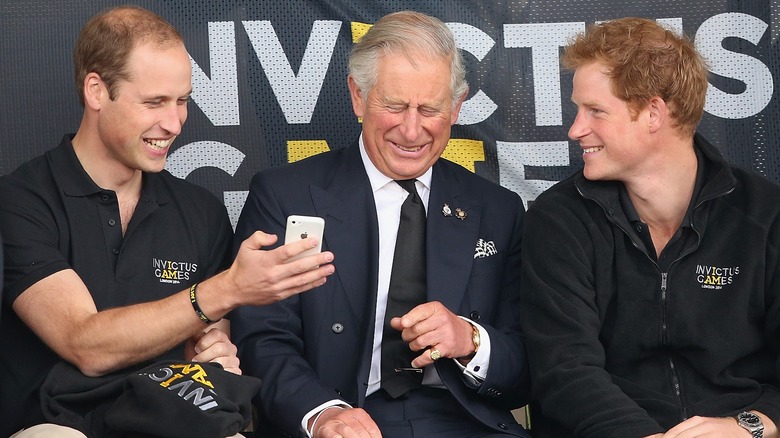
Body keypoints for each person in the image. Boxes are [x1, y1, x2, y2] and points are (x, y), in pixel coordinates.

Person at [0, 6, 334, 437]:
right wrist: (225, 289)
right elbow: (84, 343)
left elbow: (212, 344)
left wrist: (217, 353)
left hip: (167, 418)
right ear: (97, 91)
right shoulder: (22, 199)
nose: (174, 122)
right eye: (154, 102)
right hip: (56, 424)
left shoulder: (200, 211)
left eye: (182, 101)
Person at [230, 10, 532, 438]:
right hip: (341, 415)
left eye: (430, 108)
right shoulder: (285, 195)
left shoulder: (498, 210)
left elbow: (530, 364)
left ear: (457, 106)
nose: (412, 131)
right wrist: (321, 414)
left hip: (464, 422)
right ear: (357, 96)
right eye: (394, 106)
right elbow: (262, 338)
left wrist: (471, 340)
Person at [519, 17, 780, 438]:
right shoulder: (559, 217)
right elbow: (564, 369)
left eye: (596, 111)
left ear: (654, 112)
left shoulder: (765, 214)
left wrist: (748, 425)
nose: (575, 129)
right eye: (577, 109)